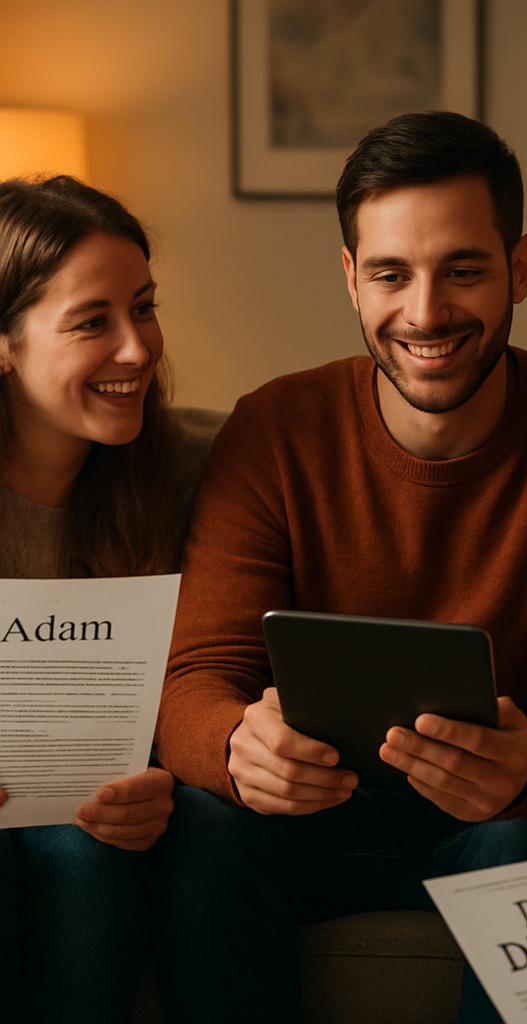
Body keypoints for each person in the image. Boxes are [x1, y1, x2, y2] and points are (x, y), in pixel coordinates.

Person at [150, 111, 527, 1023]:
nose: (426, 312)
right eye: (391, 273)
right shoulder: (273, 428)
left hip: (508, 818)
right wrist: (233, 747)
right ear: (351, 277)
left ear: (522, 268)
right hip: (317, 816)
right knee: (201, 828)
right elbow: (199, 672)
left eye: (463, 270)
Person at [0, 175, 222, 1022]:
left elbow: (214, 673)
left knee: (84, 854)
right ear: (5, 343)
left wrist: (162, 774)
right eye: (94, 322)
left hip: (96, 823)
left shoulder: (194, 474)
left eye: (145, 307)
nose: (138, 349)